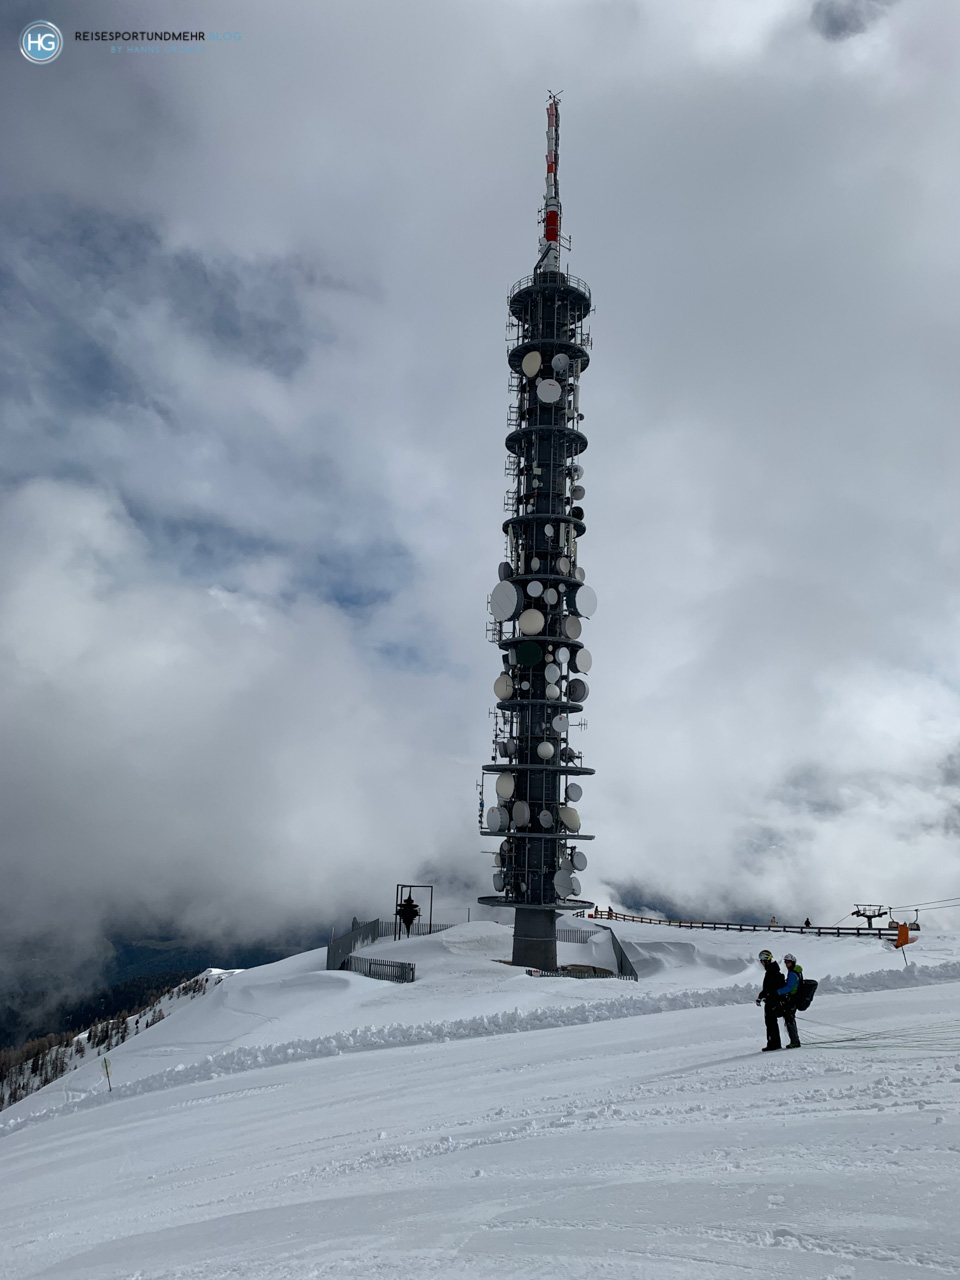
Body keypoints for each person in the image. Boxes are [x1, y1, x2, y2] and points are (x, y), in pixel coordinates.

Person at [755, 950, 785, 1051]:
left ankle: (773, 1044)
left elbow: (769, 989)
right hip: (773, 1001)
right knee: (772, 1023)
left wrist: (762, 996)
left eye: (761, 961)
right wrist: (761, 997)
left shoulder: (771, 972)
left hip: (772, 1002)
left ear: (765, 961)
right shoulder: (772, 971)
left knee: (770, 1022)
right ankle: (775, 1043)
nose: (761, 963)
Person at [777, 953, 802, 1048]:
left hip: (793, 997)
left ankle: (795, 1041)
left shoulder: (792, 973)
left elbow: (790, 987)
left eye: (788, 962)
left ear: (793, 962)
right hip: (796, 997)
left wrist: (778, 992)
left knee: (789, 1018)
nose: (786, 964)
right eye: (785, 962)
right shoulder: (797, 970)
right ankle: (795, 1040)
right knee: (790, 1017)